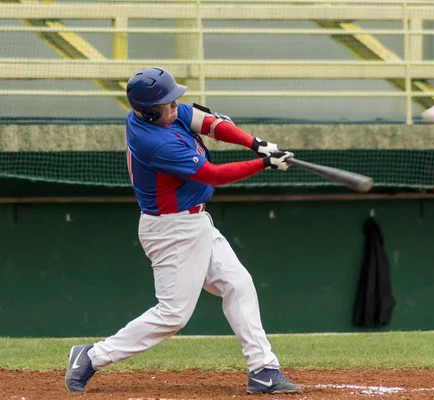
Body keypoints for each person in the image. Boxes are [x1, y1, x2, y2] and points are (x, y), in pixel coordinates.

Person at [65, 67, 302, 395]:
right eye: (168, 103)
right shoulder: (155, 142)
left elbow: (209, 123)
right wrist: (265, 163)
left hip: (194, 222)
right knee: (173, 314)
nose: (176, 106)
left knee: (238, 284)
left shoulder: (160, 115)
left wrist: (257, 144)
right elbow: (213, 175)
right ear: (148, 111)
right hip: (171, 230)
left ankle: (263, 369)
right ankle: (92, 356)